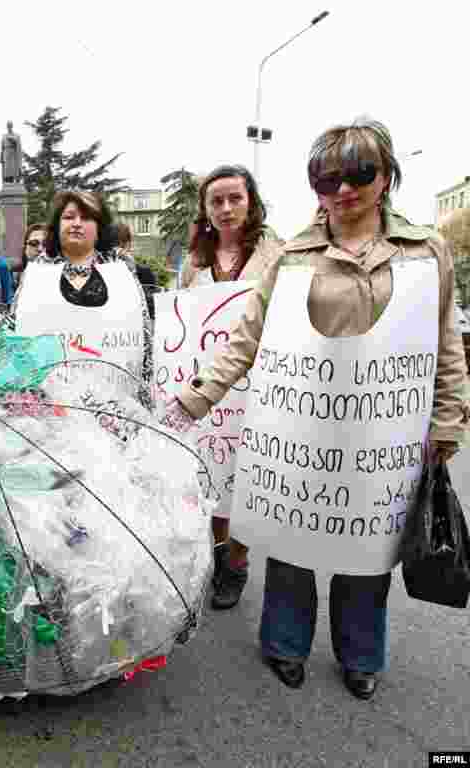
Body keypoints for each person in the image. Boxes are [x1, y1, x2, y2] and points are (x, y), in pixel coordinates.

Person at [168, 119, 468, 700]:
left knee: (367, 549)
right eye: (327, 177)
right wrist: (193, 399)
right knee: (292, 544)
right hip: (300, 427)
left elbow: (445, 342)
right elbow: (246, 338)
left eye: (359, 173)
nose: (343, 189)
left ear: (385, 178)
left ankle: (362, 656)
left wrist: (448, 419)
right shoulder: (293, 255)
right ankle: (285, 645)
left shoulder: (424, 250)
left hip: (385, 431)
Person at [180, 165, 281, 611]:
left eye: (234, 198)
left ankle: (237, 563)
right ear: (204, 209)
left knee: (248, 474)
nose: (225, 208)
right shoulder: (194, 261)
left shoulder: (276, 255)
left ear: (250, 202)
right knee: (214, 472)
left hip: (259, 384)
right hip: (210, 386)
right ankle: (218, 555)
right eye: (216, 201)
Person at [20, 190, 151, 383]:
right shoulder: (36, 272)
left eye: (87, 218)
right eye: (69, 217)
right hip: (50, 399)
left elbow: (144, 334)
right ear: (57, 226)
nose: (77, 223)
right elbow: (16, 333)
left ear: (100, 227)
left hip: (115, 395)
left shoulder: (120, 269)